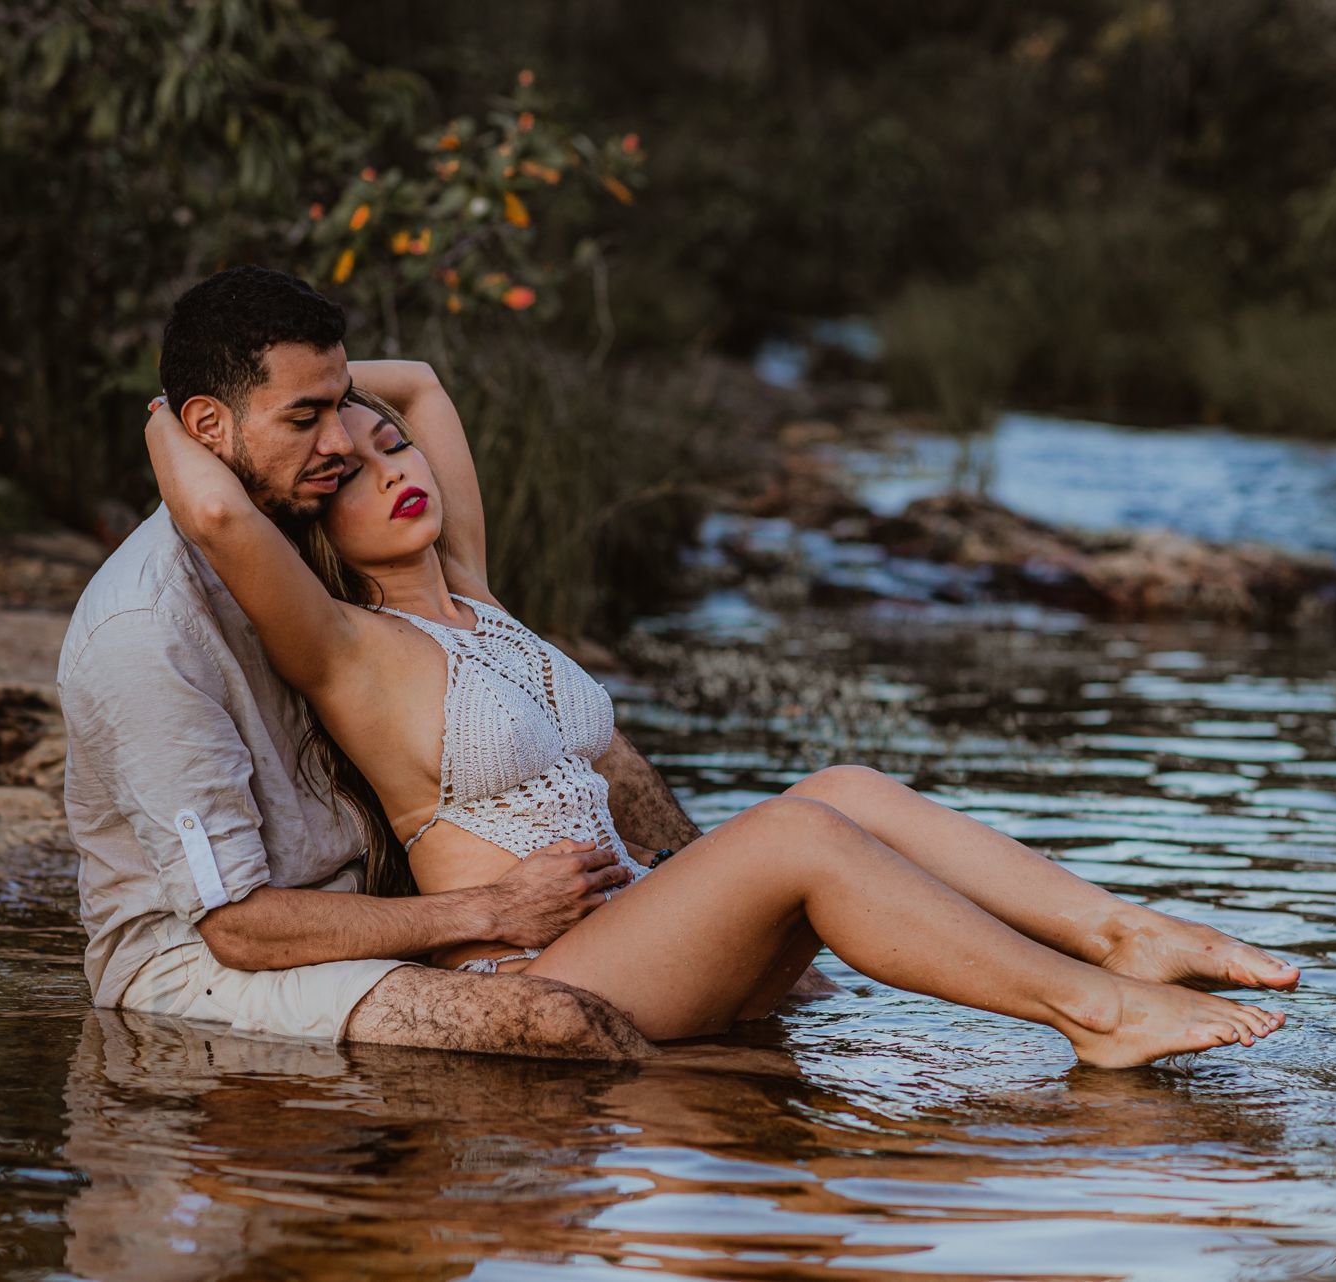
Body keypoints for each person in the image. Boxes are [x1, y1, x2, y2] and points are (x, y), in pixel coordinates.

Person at [141, 266, 1299, 1068]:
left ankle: (1114, 933)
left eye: (383, 441)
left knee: (838, 786)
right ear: (319, 532)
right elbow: (218, 516)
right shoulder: (348, 648)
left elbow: (430, 381)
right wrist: (175, 412)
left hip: (642, 930)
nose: (387, 462)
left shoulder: (478, 601)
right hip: (542, 968)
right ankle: (1091, 1012)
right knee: (795, 834)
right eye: (342, 470)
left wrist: (337, 400)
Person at [62, 264, 843, 1060]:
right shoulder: (147, 628)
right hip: (212, 953)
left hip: (376, 892)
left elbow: (416, 388)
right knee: (559, 1020)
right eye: (304, 417)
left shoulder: (304, 505)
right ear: (207, 429)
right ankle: (695, 1168)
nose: (339, 442)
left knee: (602, 751)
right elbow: (236, 924)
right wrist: (491, 911)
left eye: (341, 407)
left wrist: (702, 896)